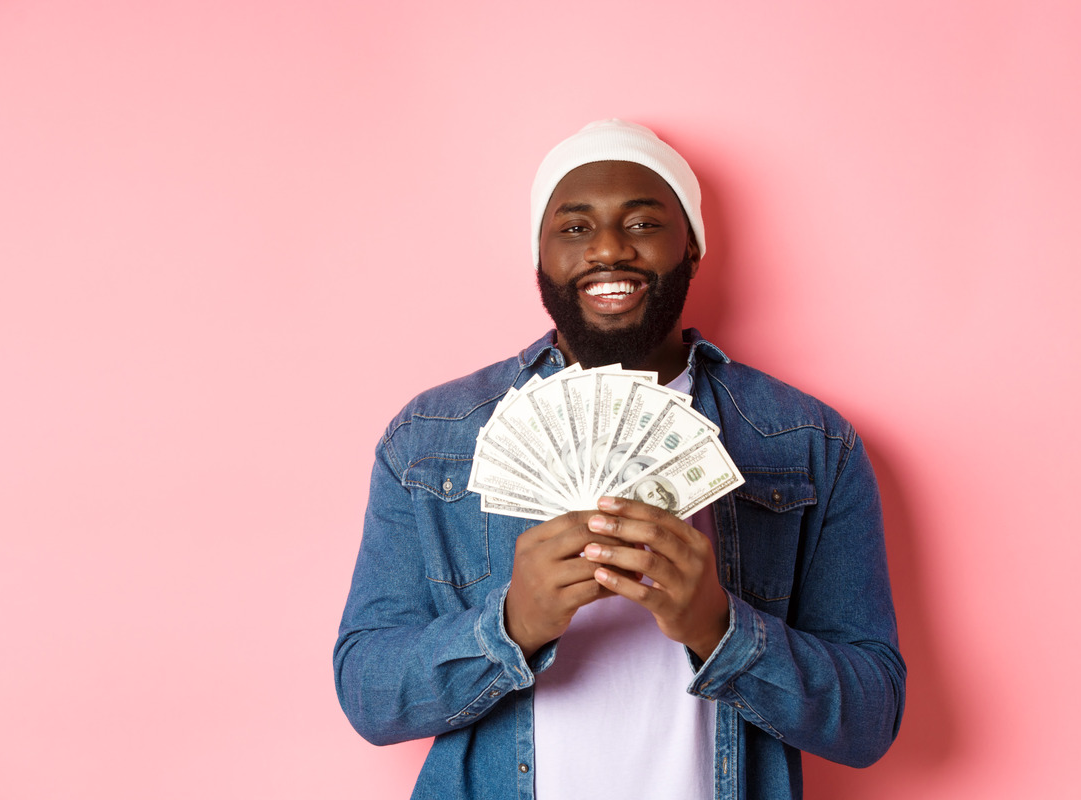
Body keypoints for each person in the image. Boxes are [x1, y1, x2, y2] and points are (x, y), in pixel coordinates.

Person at [334, 119, 905, 800]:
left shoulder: (808, 441)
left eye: (641, 223)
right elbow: (369, 694)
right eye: (574, 228)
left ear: (691, 247)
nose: (608, 248)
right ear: (540, 258)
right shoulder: (431, 439)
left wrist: (719, 628)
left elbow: (869, 719)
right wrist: (510, 625)